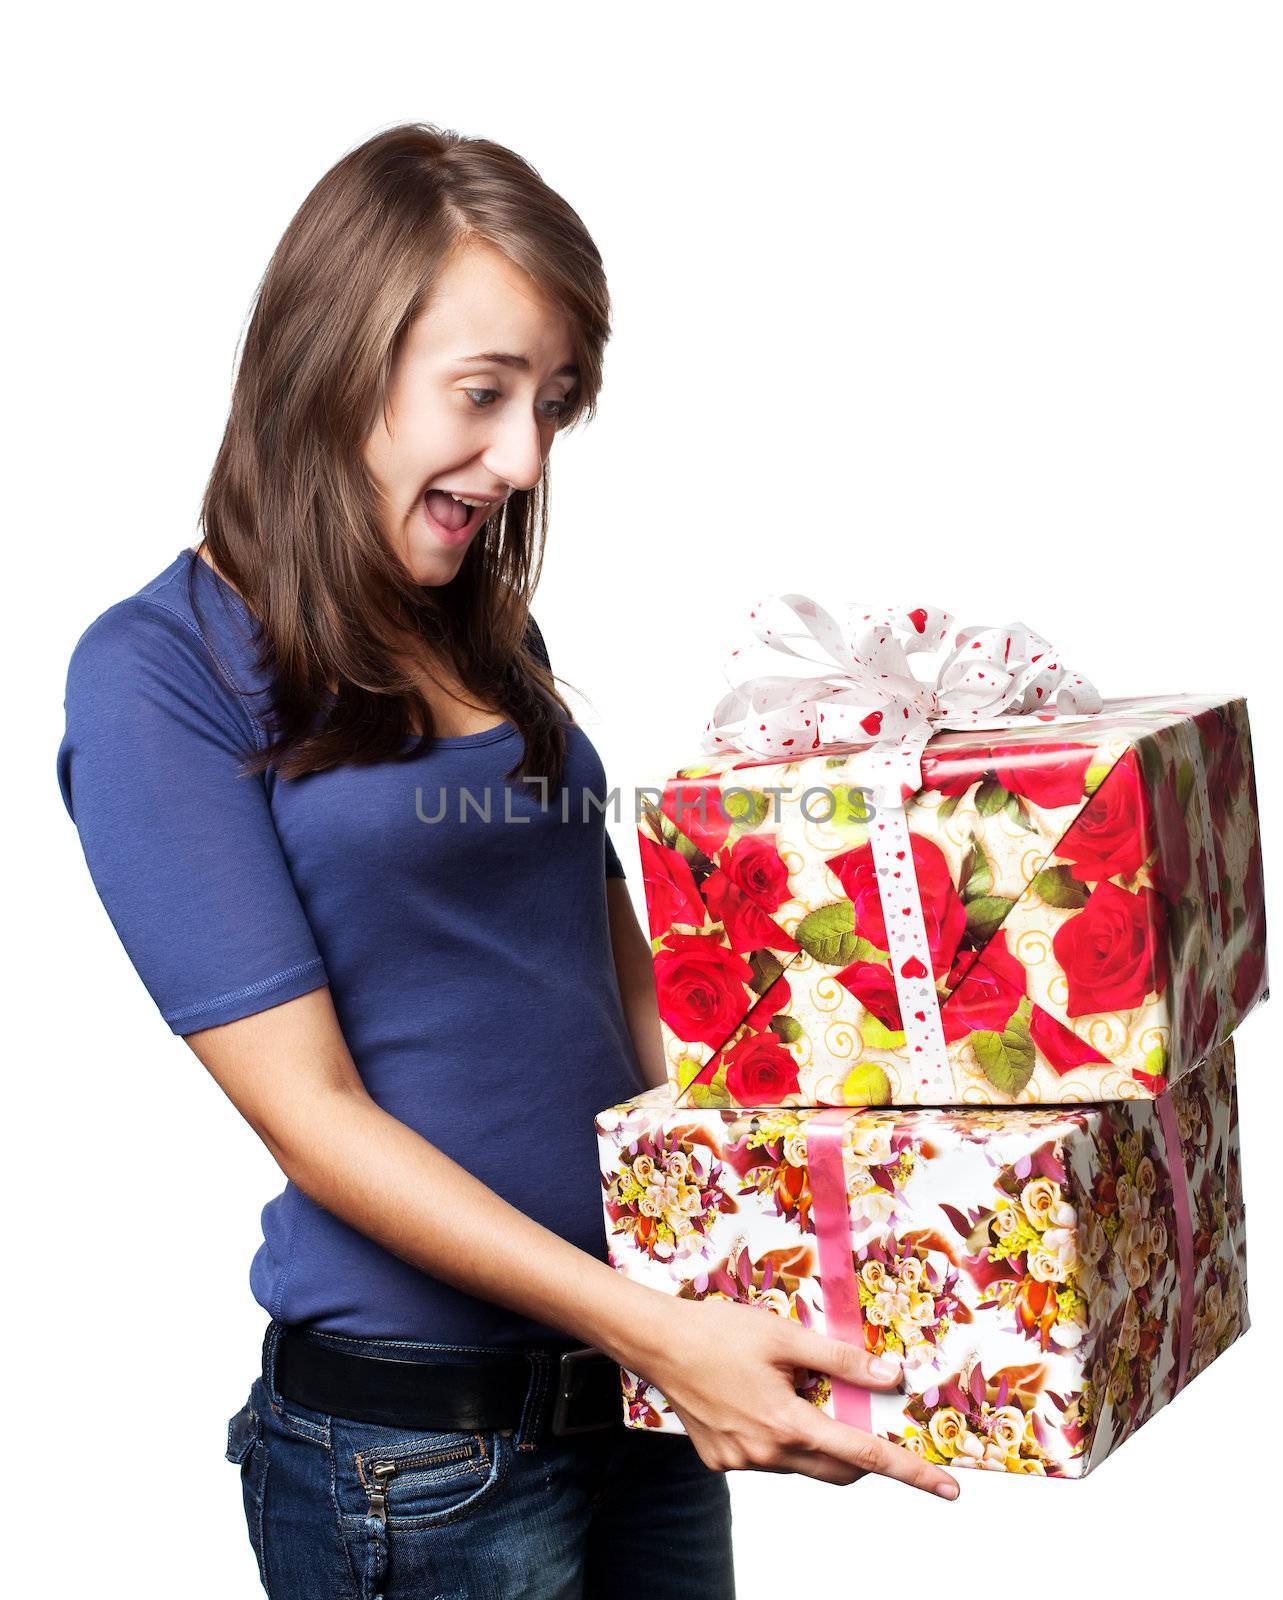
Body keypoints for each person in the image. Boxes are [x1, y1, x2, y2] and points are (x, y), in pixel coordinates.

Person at [55, 122, 960, 1600]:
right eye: (481, 396)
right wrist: (655, 1329)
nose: (525, 458)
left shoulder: (487, 634)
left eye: (553, 404)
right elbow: (316, 1122)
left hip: (637, 1397)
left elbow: (629, 1005)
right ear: (334, 359)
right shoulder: (157, 675)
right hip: (417, 1461)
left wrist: (869, 1198)